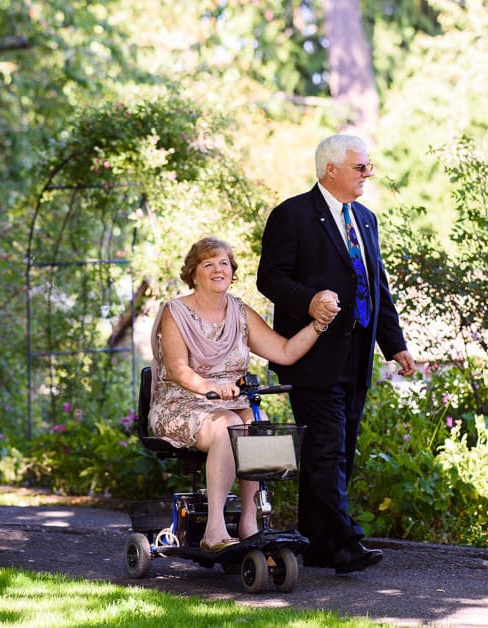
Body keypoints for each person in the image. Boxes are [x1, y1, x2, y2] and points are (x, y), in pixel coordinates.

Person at [256, 133, 416, 574]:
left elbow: (376, 286)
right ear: (331, 170)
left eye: (368, 166)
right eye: (360, 167)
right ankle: (346, 545)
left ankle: (317, 543)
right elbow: (269, 279)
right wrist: (309, 301)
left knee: (338, 448)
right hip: (309, 354)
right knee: (327, 450)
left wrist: (395, 344)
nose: (369, 173)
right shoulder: (292, 215)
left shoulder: (365, 218)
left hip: (357, 355)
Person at [148, 236, 331, 554]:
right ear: (194, 273)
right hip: (180, 404)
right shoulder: (175, 313)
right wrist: (211, 387)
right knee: (227, 424)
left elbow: (285, 351)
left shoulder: (240, 312)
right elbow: (178, 369)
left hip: (230, 403)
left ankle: (250, 523)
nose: (218, 269)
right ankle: (214, 528)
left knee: (258, 422)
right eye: (208, 264)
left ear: (232, 270)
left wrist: (318, 325)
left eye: (224, 263)